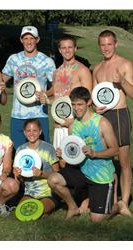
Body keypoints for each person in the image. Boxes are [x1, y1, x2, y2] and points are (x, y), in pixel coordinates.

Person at [48, 87, 119, 222]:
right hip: (81, 171)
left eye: (79, 104)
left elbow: (115, 150)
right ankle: (73, 207)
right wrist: (63, 154)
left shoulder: (102, 123)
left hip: (100, 175)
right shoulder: (73, 126)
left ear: (89, 102)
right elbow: (73, 153)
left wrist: (95, 153)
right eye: (73, 105)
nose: (76, 108)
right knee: (53, 180)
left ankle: (118, 206)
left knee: (97, 219)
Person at [92, 30, 133, 216]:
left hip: (119, 115)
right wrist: (95, 107)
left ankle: (124, 203)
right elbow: (95, 96)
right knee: (106, 160)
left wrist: (122, 82)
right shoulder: (97, 69)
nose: (106, 48)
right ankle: (111, 200)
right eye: (103, 44)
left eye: (109, 44)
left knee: (124, 161)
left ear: (116, 44)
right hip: (103, 118)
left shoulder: (125, 64)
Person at [2, 26, 56, 150]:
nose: (29, 41)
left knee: (43, 153)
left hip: (39, 114)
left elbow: (55, 87)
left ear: (37, 39)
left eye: (32, 38)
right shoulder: (14, 59)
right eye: (25, 38)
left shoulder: (47, 61)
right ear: (21, 40)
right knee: (18, 152)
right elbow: (1, 80)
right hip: (18, 115)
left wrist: (45, 94)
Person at [41, 35, 92, 149]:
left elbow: (88, 100)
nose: (67, 50)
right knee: (60, 162)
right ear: (59, 50)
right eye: (63, 48)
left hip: (77, 124)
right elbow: (58, 97)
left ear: (75, 48)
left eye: (70, 47)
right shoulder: (56, 72)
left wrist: (74, 122)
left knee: (78, 161)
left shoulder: (83, 70)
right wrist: (47, 99)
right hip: (59, 125)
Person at [13, 119, 60, 215]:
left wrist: (42, 174)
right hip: (30, 192)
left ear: (40, 131)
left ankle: (52, 204)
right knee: (24, 211)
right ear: (24, 132)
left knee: (40, 210)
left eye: (35, 130)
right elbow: (20, 181)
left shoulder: (48, 148)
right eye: (28, 131)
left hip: (48, 192)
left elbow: (58, 174)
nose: (31, 133)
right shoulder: (20, 150)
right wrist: (18, 176)